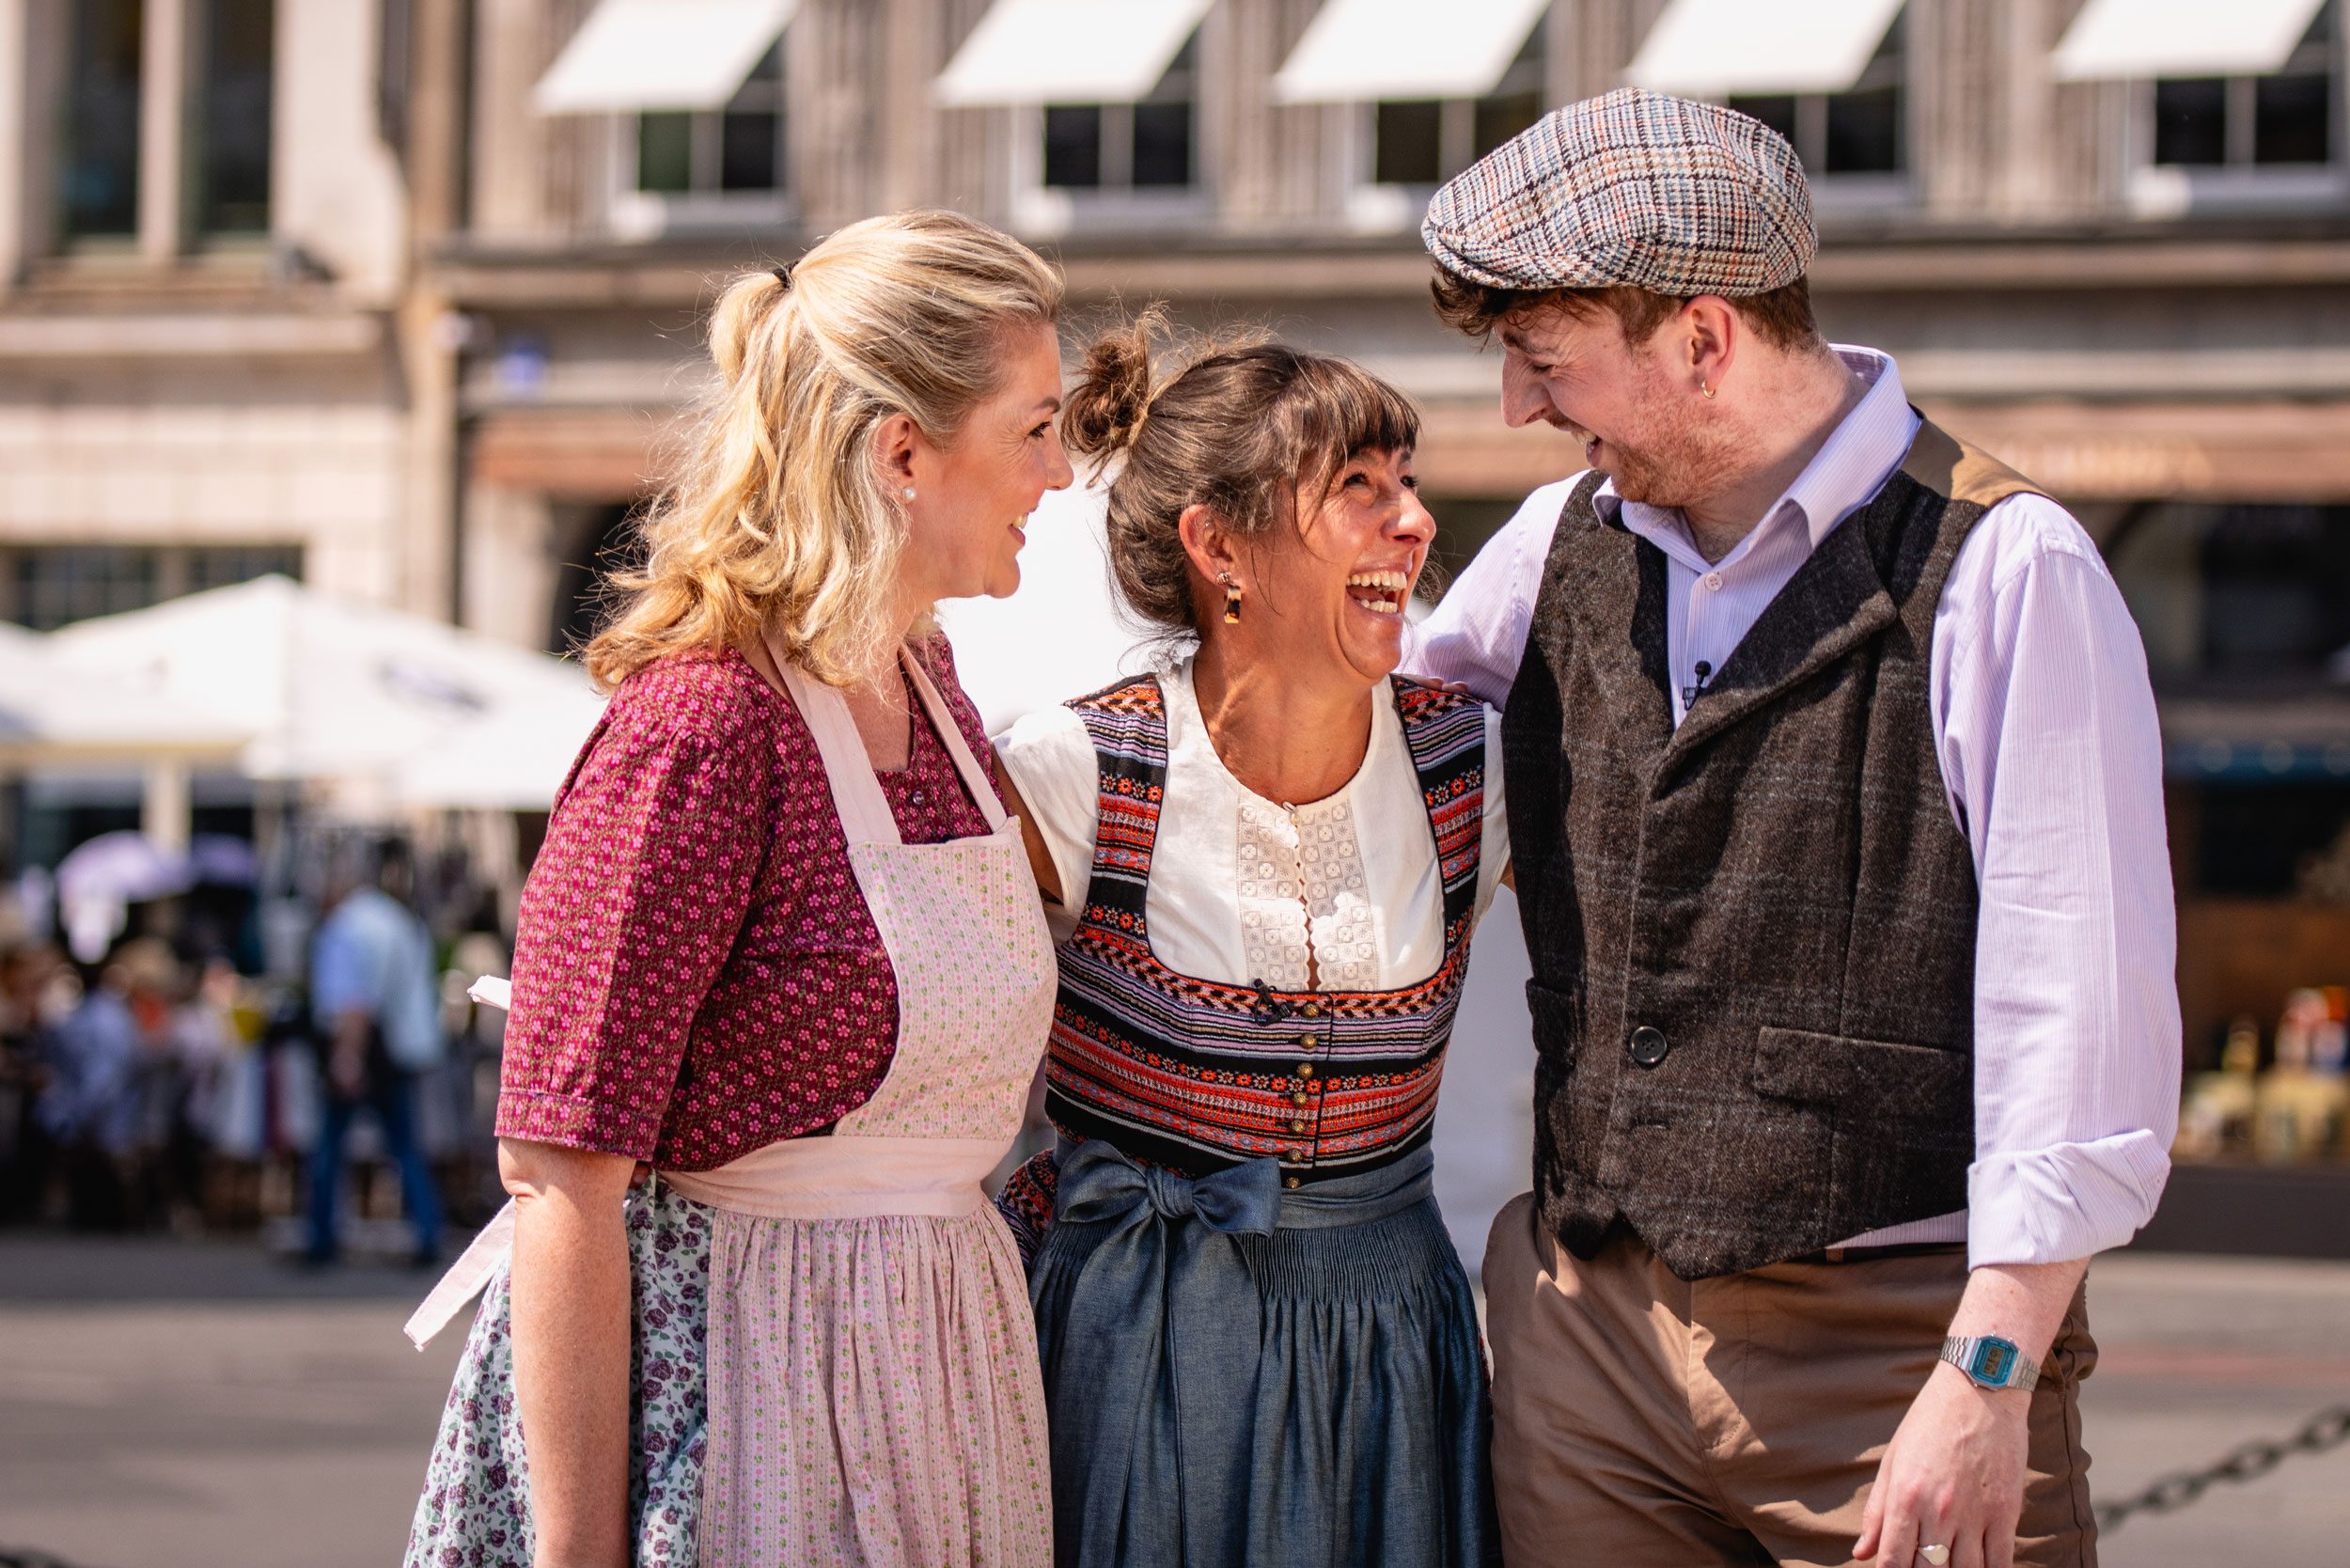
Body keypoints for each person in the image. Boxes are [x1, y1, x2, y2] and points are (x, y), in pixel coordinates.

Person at [1406, 90, 2180, 1568]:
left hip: (1895, 1356)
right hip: (1583, 1340)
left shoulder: (2008, 568)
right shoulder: (1560, 539)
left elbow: (2077, 1010)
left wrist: (1991, 1372)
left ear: (1703, 339)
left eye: (1543, 359)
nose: (1516, 408)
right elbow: (1372, 747)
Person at [403, 210, 1073, 1568]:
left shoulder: (933, 687)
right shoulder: (702, 726)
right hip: (746, 1384)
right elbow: (558, 1173)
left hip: (940, 1377)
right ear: (901, 453)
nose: (1061, 472)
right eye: (1037, 429)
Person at [993, 318, 1510, 1567]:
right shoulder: (1075, 772)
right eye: (1357, 487)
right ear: (1218, 546)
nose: (1413, 523)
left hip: (1393, 1343)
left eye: (1407, 483)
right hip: (1138, 1338)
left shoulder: (1470, 765)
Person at [306, 839, 445, 1265]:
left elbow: (353, 1003)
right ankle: (428, 1230)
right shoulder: (396, 919)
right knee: (404, 1145)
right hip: (398, 1046)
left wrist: (346, 1057)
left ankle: (321, 1236)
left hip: (366, 1046)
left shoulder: (345, 927)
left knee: (331, 1145)